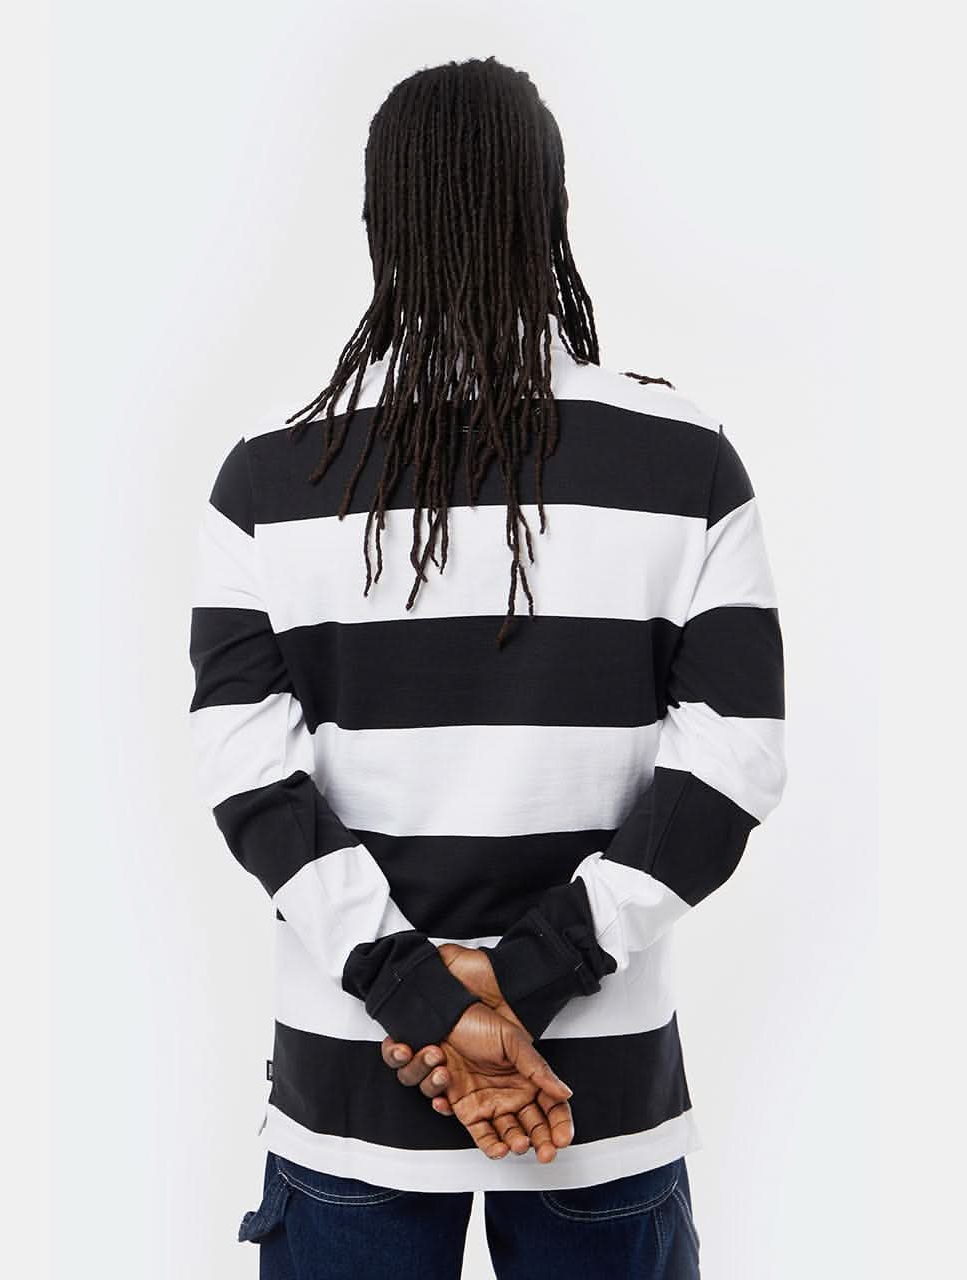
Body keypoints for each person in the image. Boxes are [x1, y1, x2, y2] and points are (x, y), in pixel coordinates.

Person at [187, 54, 787, 1279]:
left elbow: (250, 783)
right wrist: (521, 983)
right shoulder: (688, 463)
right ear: (551, 215)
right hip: (594, 1095)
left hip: (355, 1084)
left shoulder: (268, 481)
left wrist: (431, 1003)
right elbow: (733, 763)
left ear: (377, 226)